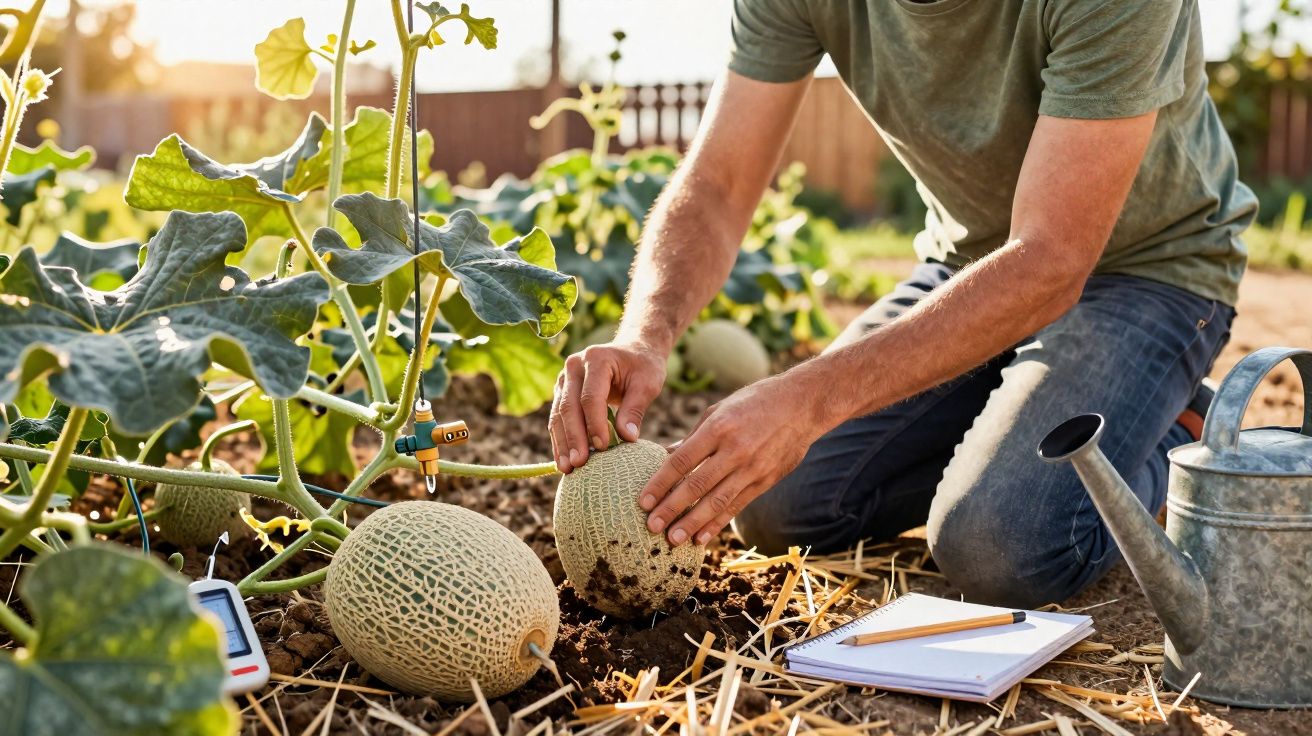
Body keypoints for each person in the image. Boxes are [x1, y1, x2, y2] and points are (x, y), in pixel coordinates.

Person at [548, 0, 1256, 608]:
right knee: (776, 507)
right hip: (968, 266)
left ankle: (1177, 429)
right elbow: (719, 185)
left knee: (1000, 548)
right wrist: (644, 336)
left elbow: (1050, 260)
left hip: (1149, 270)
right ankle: (1013, 424)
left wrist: (807, 401)